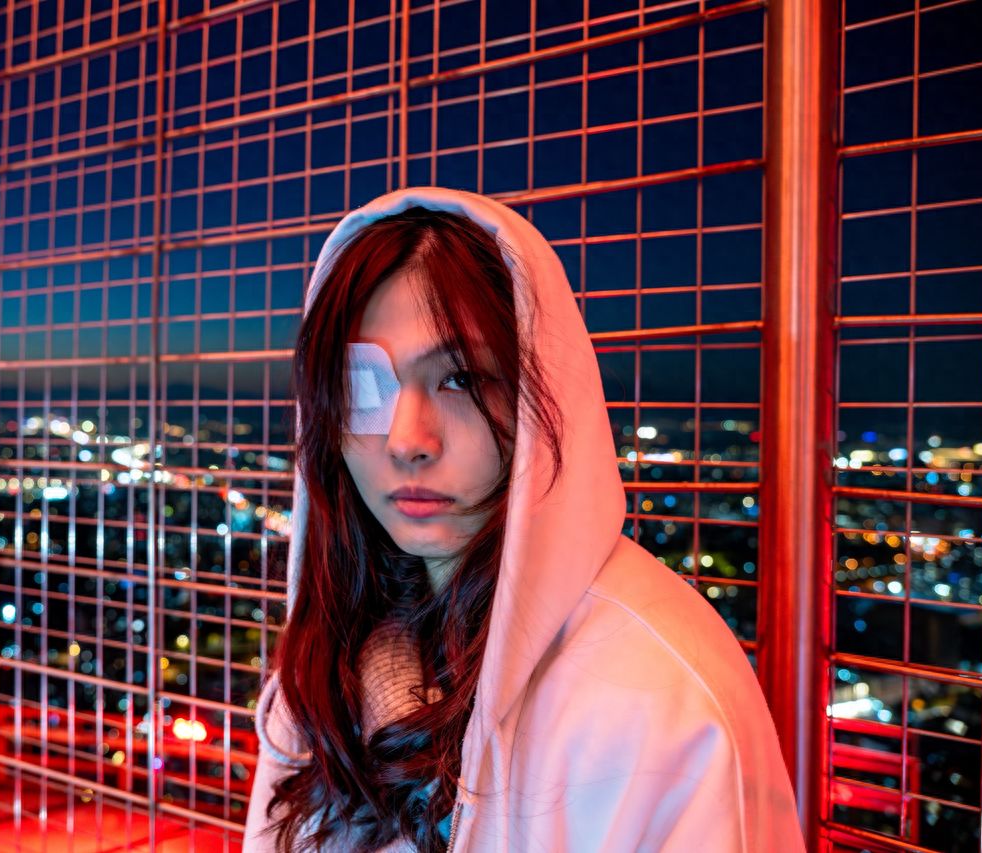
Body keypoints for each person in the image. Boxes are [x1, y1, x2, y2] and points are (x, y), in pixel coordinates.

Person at [242, 186, 804, 852]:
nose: (406, 439)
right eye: (365, 384)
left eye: (462, 379)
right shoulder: (325, 666)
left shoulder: (658, 694)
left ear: (541, 392)